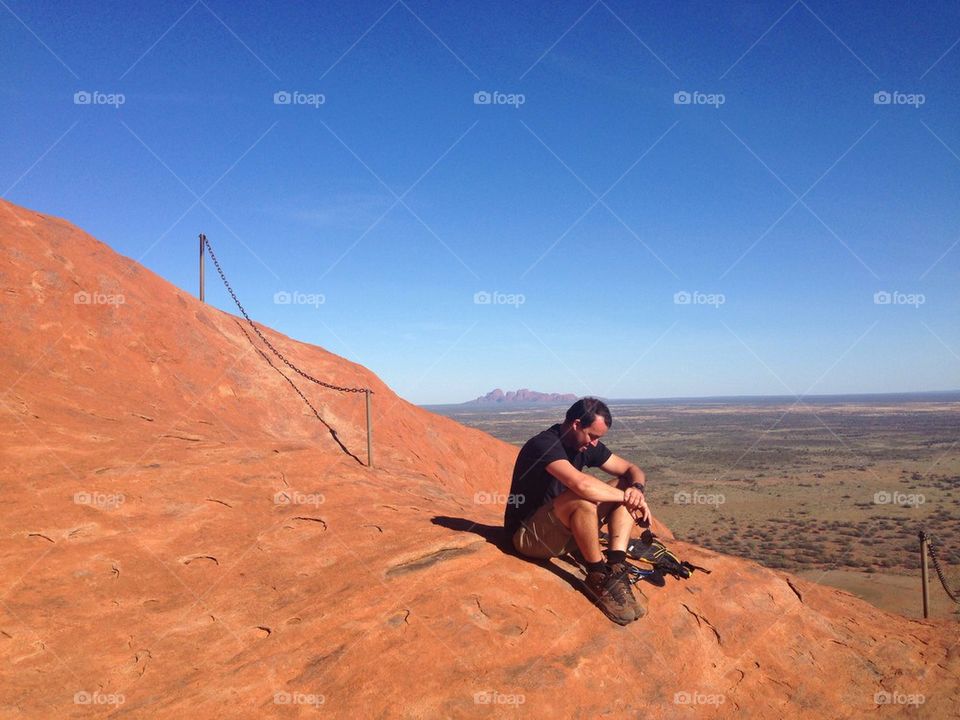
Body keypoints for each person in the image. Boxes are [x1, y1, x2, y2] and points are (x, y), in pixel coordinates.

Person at [504, 398, 651, 625]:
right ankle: (597, 575)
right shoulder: (543, 444)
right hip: (529, 537)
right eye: (592, 436)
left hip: (564, 528)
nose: (594, 444)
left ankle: (616, 566)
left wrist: (636, 490)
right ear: (576, 425)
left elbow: (633, 469)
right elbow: (581, 485)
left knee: (625, 484)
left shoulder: (583, 444)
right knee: (583, 498)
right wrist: (631, 499)